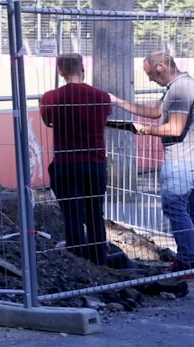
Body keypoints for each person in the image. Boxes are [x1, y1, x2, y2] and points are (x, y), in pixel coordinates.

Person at [112, 50, 194, 277]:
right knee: (193, 212)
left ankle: (189, 262)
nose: (151, 79)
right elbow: (154, 111)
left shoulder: (181, 89)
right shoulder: (181, 86)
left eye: (151, 73)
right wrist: (118, 102)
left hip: (182, 161)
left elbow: (175, 128)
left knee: (175, 208)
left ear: (161, 66)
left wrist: (146, 131)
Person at [38, 54, 128, 268]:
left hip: (67, 163)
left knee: (72, 215)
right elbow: (103, 117)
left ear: (60, 70)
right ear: (83, 67)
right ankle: (99, 263)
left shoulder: (51, 97)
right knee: (95, 214)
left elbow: (48, 122)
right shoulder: (101, 96)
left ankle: (79, 265)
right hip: (95, 163)